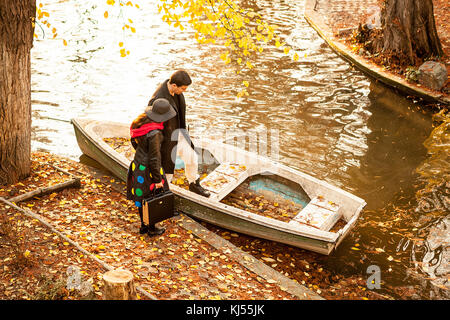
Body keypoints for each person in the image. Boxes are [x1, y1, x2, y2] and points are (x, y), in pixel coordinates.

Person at [147, 70, 210, 197]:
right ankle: (162, 194)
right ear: (174, 85)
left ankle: (193, 184)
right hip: (166, 139)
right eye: (183, 88)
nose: (184, 91)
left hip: (179, 133)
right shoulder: (158, 98)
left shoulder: (177, 92)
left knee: (192, 157)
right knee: (167, 169)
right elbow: (151, 122)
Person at [126, 98, 176, 236]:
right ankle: (151, 228)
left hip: (138, 166)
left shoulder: (141, 123)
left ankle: (144, 226)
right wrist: (157, 179)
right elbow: (155, 158)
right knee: (152, 197)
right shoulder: (155, 133)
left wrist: (141, 153)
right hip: (148, 168)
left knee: (143, 198)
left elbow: (133, 141)